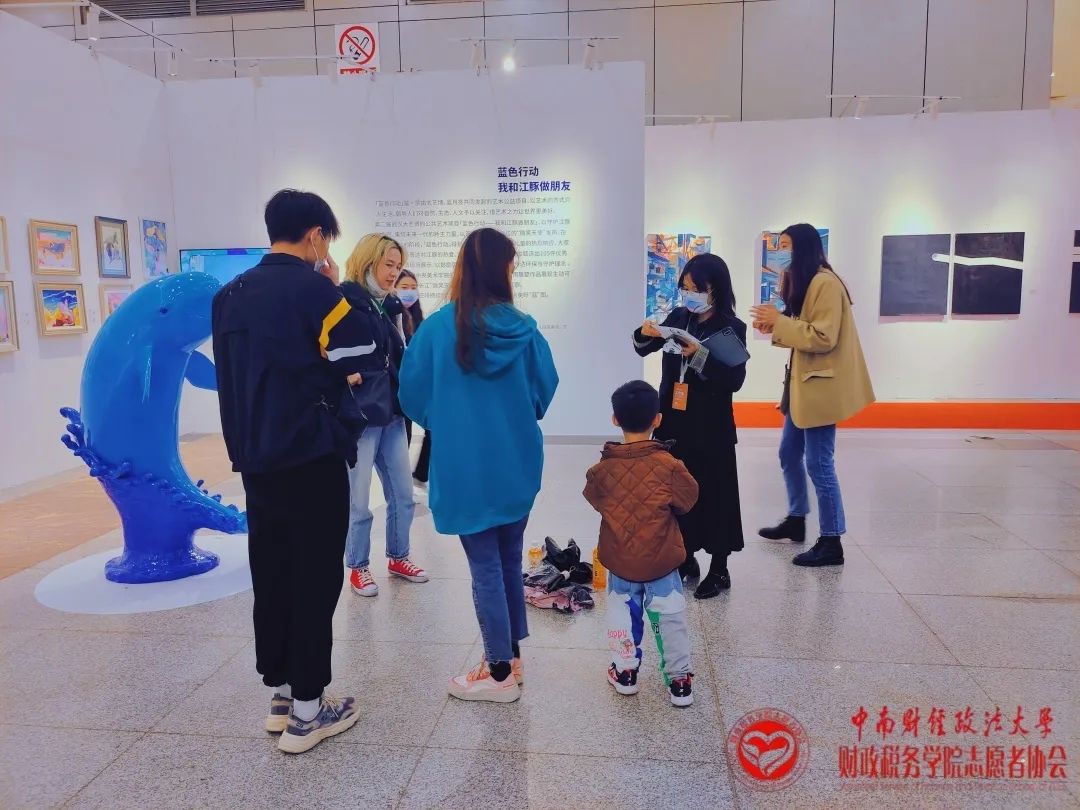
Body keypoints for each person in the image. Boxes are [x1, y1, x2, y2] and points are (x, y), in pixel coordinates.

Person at [212, 189, 373, 754]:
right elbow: (363, 352)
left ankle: (281, 693)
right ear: (316, 235)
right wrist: (335, 290)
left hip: (255, 458)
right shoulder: (316, 291)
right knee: (314, 575)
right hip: (310, 455)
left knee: (274, 570)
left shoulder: (229, 295)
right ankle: (309, 709)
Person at [399, 228, 558, 703]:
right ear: (505, 269)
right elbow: (544, 391)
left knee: (485, 565)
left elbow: (412, 394)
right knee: (509, 557)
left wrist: (446, 420)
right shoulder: (525, 330)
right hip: (516, 461)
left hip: (465, 466)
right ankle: (511, 656)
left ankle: (499, 672)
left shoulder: (437, 329)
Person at [750, 223, 874, 567]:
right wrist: (777, 325)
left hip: (820, 387)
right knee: (789, 453)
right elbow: (804, 330)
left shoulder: (825, 283)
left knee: (819, 463)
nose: (779, 252)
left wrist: (780, 321)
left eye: (785, 246)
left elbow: (823, 337)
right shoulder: (808, 282)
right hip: (803, 387)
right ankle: (796, 518)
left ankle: (831, 540)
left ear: (802, 248)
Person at [632, 253, 748, 599]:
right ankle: (686, 558)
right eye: (685, 287)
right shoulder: (679, 317)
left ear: (716, 289)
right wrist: (644, 332)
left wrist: (698, 355)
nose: (689, 294)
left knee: (715, 494)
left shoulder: (731, 327)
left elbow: (734, 380)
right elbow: (644, 348)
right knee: (677, 494)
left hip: (711, 427)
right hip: (674, 421)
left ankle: (719, 568)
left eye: (697, 288)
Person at [584, 381, 699, 707]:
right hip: (662, 560)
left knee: (622, 616)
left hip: (621, 561)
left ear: (615, 420)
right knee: (670, 618)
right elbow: (688, 499)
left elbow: (595, 499)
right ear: (658, 420)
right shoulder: (670, 466)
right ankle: (679, 682)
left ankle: (625, 673)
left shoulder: (601, 471)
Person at [340, 234, 428, 597]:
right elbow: (327, 352)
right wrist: (344, 374)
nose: (394, 273)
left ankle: (398, 556)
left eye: (398, 265)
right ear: (367, 261)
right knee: (358, 501)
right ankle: (358, 566)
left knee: (404, 495)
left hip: (391, 413)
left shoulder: (389, 306)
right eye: (388, 264)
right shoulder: (344, 301)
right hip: (360, 417)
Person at [395, 269, 432, 484]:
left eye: (413, 288)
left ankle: (421, 473)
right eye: (404, 287)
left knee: (431, 430)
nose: (409, 292)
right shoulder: (391, 317)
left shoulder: (420, 321)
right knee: (403, 434)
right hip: (399, 387)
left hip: (420, 385)